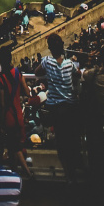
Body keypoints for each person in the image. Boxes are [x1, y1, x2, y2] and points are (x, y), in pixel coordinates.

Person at [36, 34, 81, 180]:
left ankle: (68, 175)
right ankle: (73, 172)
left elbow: (37, 72)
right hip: (70, 107)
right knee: (71, 139)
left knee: (61, 141)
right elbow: (78, 73)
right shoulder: (69, 64)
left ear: (50, 48)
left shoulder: (47, 61)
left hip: (56, 108)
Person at [0, 47, 32, 177]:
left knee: (13, 147)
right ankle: (17, 174)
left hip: (9, 118)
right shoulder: (17, 73)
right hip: (19, 114)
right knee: (15, 146)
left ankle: (24, 173)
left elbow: (2, 104)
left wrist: (0, 123)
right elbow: (27, 92)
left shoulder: (0, 79)